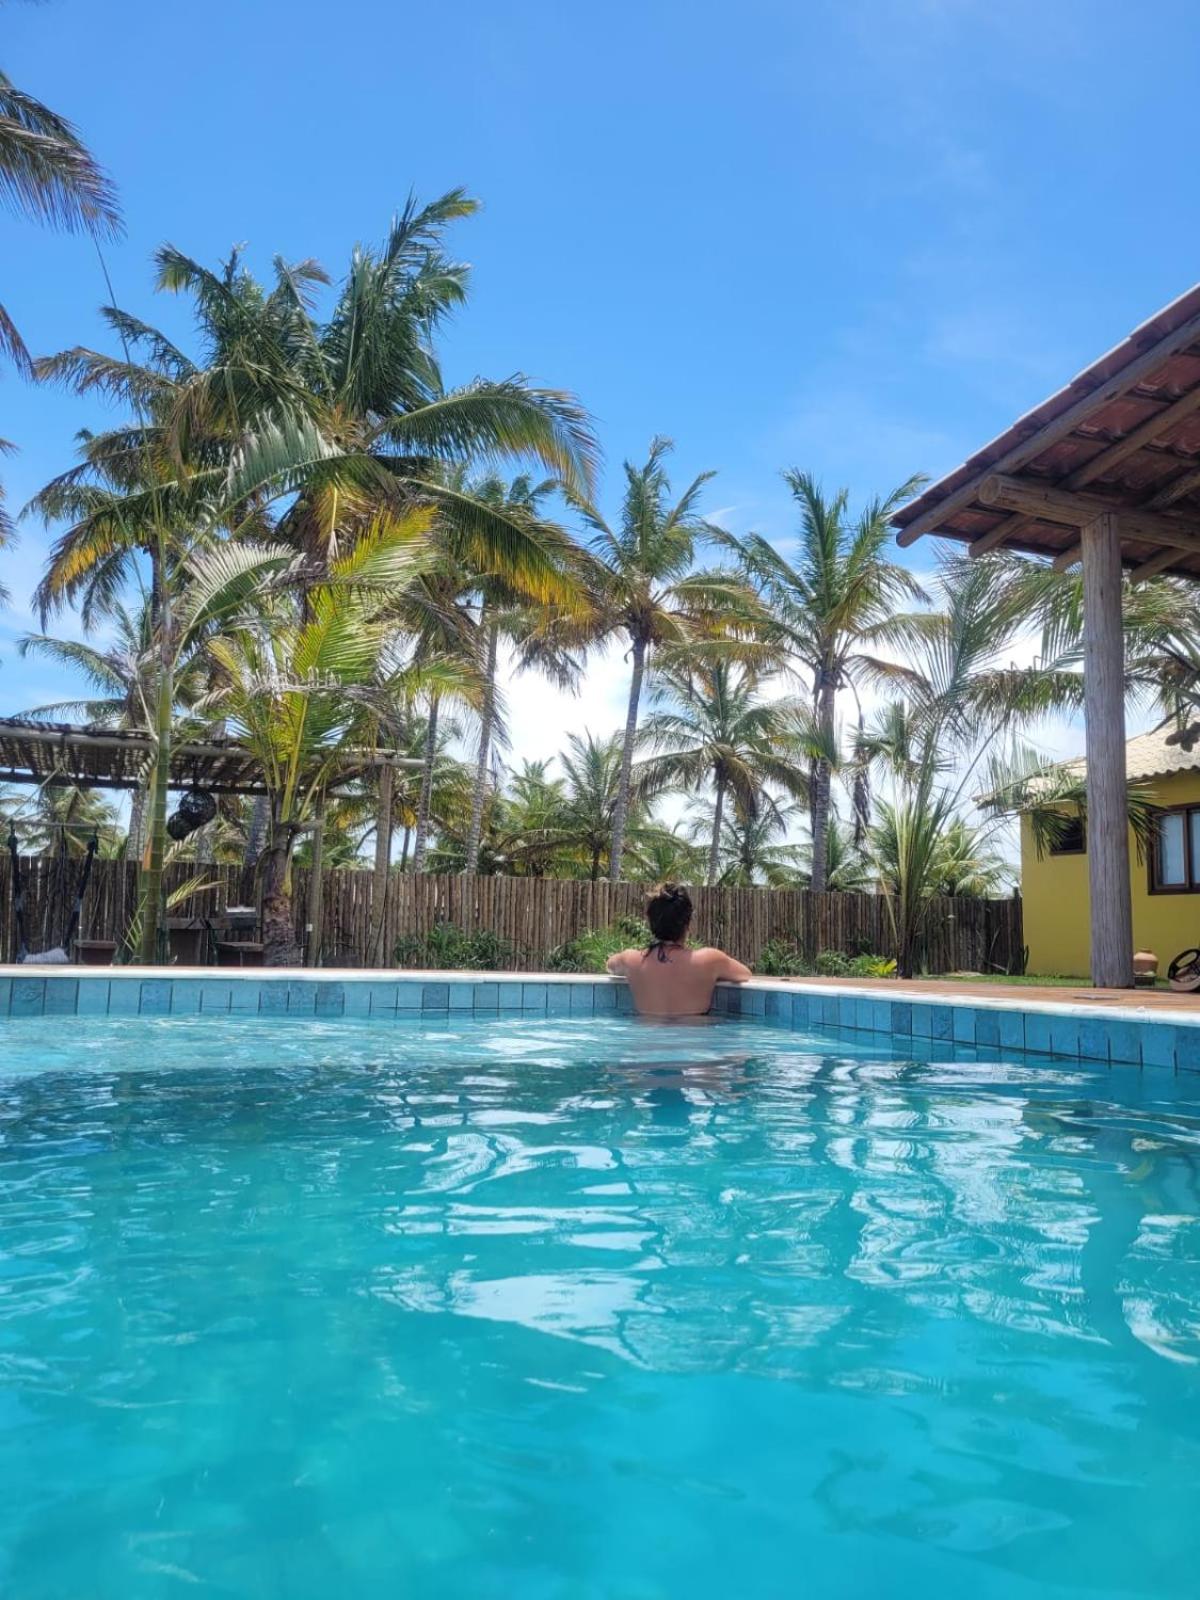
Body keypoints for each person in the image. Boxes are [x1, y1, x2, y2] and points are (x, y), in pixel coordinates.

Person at [605, 883, 751, 1018]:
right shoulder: (710, 960)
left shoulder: (630, 960)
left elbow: (610, 966)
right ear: (688, 923)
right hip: (693, 1036)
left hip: (647, 1036)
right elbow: (745, 974)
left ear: (651, 922)